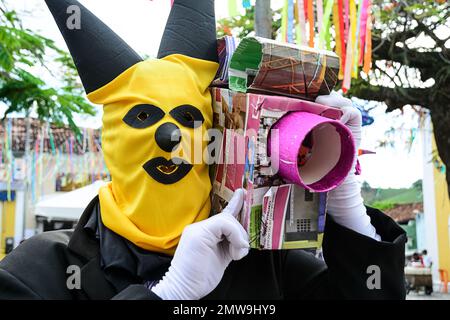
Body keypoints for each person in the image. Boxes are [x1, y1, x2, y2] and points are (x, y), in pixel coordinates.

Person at [0, 0, 406, 300]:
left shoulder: (262, 260)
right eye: (143, 118)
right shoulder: (39, 270)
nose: (171, 136)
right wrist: (168, 295)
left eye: (188, 119)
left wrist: (346, 207)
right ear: (112, 141)